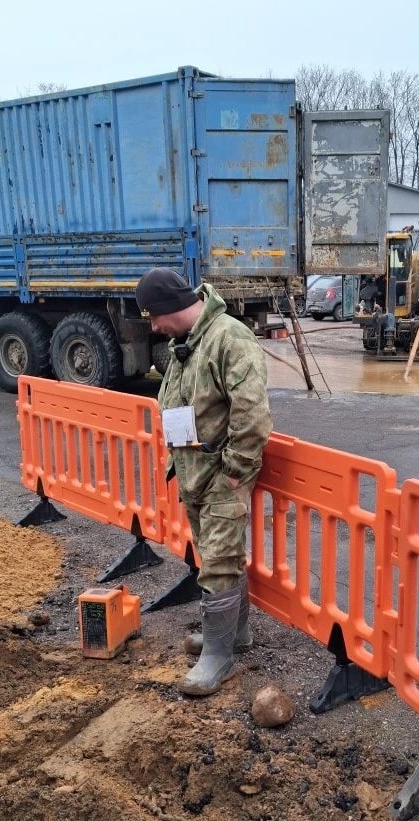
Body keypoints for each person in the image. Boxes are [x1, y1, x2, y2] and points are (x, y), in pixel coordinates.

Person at [135, 268, 272, 697]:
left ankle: (218, 657)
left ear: (172, 307)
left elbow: (252, 414)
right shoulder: (185, 343)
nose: (153, 326)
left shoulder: (229, 339)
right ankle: (234, 636)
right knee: (218, 557)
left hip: (220, 477)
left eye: (154, 316)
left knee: (218, 563)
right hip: (195, 472)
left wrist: (234, 471)